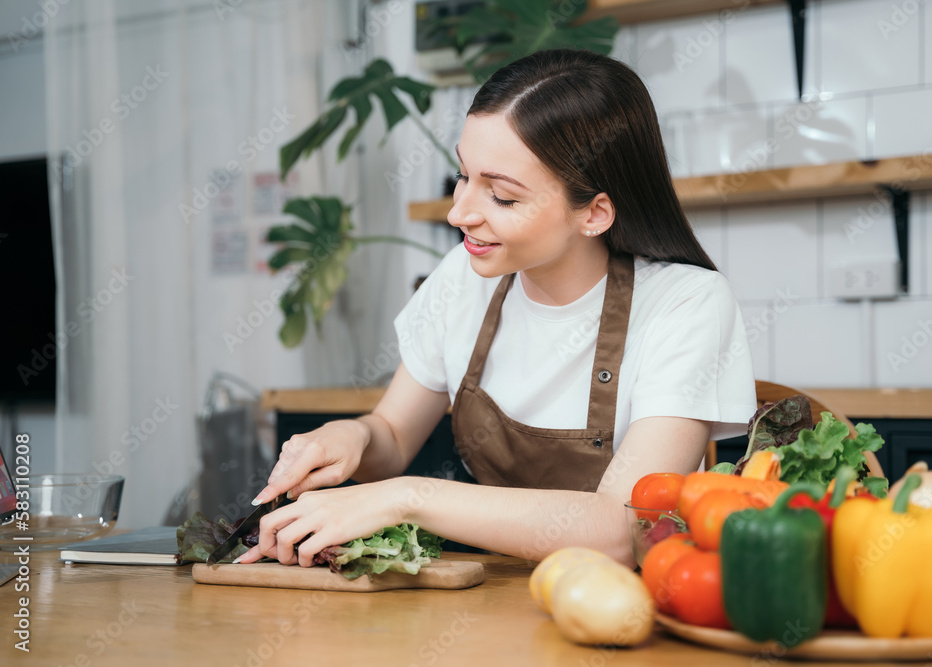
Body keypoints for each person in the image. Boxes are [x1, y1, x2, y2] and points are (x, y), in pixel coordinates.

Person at [238, 49, 757, 568]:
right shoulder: (462, 280)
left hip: (611, 614)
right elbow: (393, 437)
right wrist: (352, 435)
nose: (459, 212)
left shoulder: (686, 304)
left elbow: (625, 529)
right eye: (463, 177)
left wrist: (406, 498)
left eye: (502, 197)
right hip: (486, 601)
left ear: (595, 213)